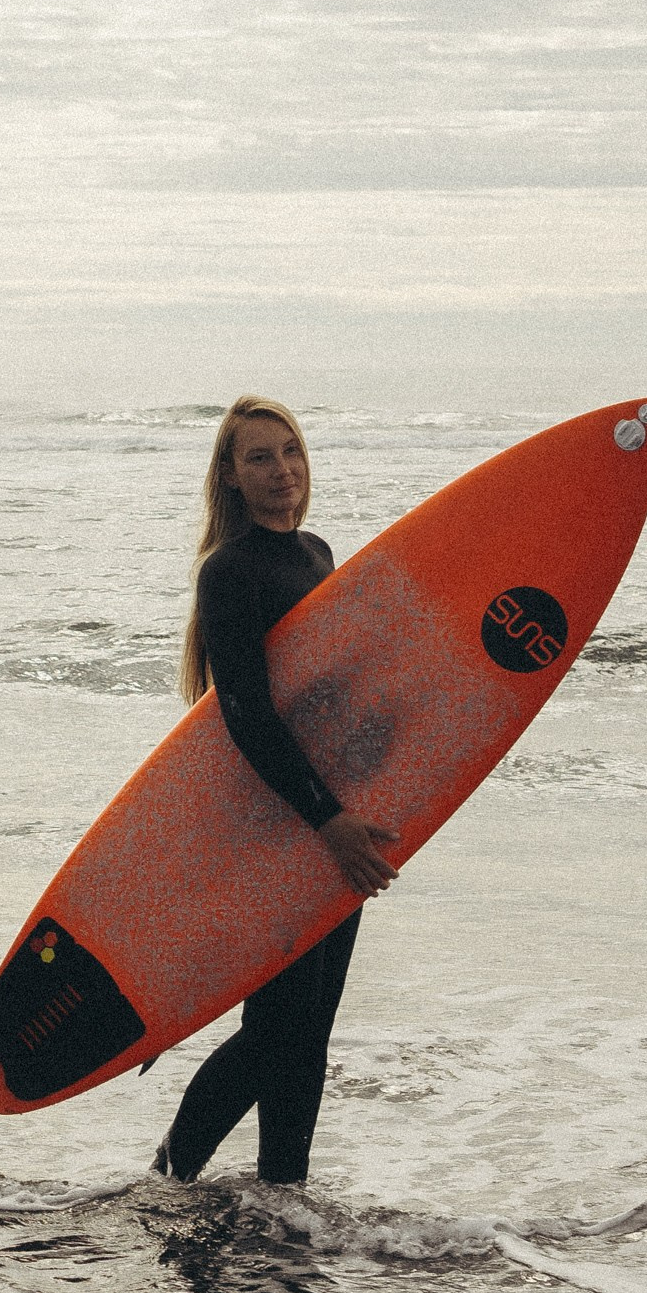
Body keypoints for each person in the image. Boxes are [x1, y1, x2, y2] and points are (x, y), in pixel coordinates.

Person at [157, 396, 398, 1185]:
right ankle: (170, 1174)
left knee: (306, 1030)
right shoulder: (228, 573)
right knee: (275, 1031)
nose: (280, 471)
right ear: (229, 475)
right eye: (258, 457)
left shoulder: (318, 552)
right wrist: (328, 820)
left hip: (329, 817)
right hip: (277, 822)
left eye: (289, 451)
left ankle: (282, 1190)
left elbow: (331, 694)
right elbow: (247, 713)